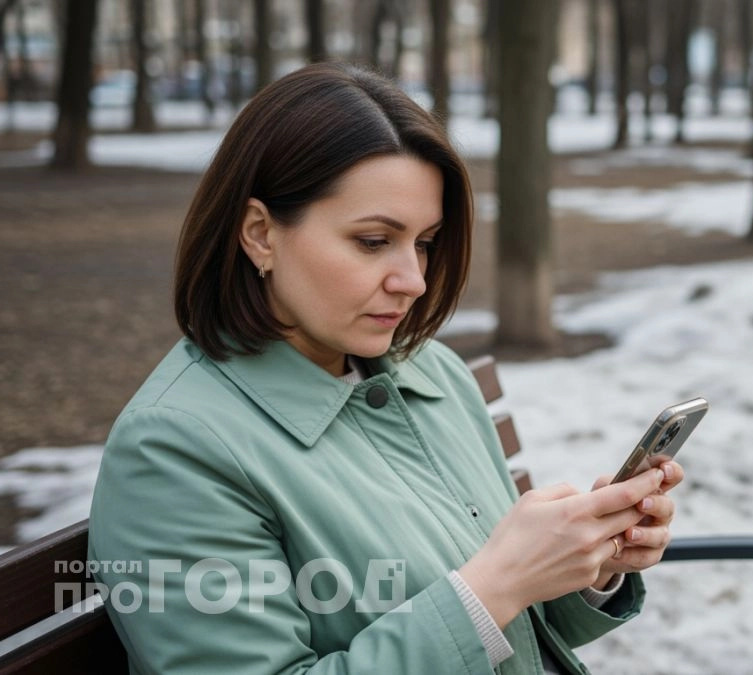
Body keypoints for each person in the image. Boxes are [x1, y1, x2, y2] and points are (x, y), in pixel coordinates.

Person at [87, 62, 684, 675]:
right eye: (374, 241)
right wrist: (496, 586)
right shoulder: (174, 450)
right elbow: (485, 599)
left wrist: (590, 567)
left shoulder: (432, 375)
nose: (414, 280)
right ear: (260, 234)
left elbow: (516, 630)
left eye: (424, 241)